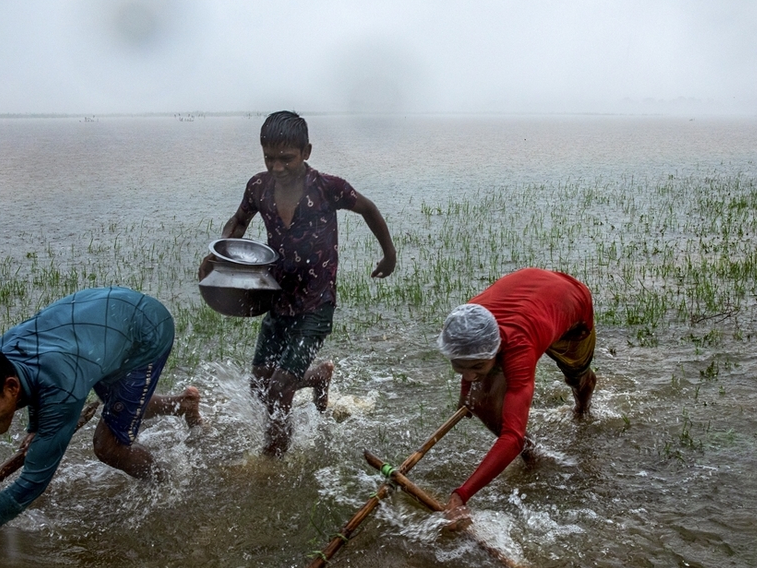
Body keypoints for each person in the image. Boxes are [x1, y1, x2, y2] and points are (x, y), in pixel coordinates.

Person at [0, 287, 202, 556]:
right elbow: (33, 376)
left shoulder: (61, 387)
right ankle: (184, 405)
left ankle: (166, 481)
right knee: (119, 402)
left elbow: (31, 484)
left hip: (144, 329)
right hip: (99, 322)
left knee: (108, 446)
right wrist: (35, 427)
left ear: (10, 388)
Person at [199, 111, 397, 456]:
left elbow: (368, 208)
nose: (277, 167)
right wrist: (218, 254)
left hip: (316, 305)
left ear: (306, 151)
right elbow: (239, 222)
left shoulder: (327, 187)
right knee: (260, 386)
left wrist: (389, 255)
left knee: (277, 390)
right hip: (277, 297)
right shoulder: (258, 187)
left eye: (286, 158)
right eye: (269, 158)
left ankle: (272, 460)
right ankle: (318, 377)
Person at [436, 268, 597, 528]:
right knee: (481, 402)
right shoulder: (465, 321)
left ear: (497, 348)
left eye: (476, 367)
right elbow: (469, 362)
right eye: (459, 366)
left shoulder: (518, 347)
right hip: (530, 292)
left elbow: (511, 435)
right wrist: (467, 397)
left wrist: (462, 494)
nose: (468, 375)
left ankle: (582, 409)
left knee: (576, 378)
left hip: (571, 303)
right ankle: (531, 453)